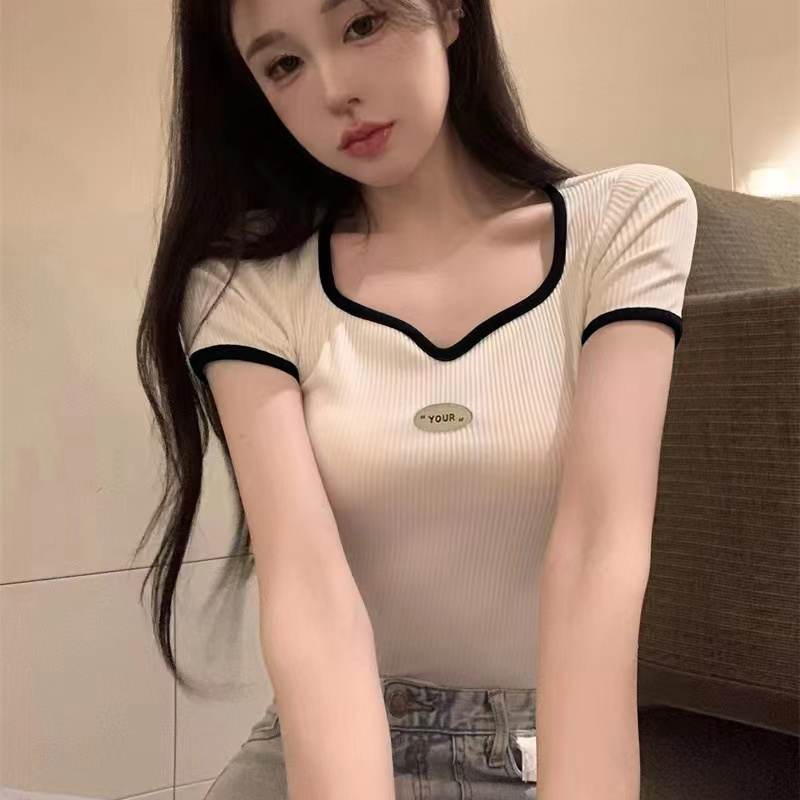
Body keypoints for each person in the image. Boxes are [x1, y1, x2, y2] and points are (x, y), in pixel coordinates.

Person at [133, 0, 699, 798]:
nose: (334, 90)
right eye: (284, 64)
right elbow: (309, 592)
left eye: (362, 24)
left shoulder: (626, 219)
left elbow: (599, 554)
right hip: (327, 745)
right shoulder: (246, 284)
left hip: (545, 747)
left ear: (451, 10)